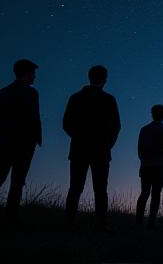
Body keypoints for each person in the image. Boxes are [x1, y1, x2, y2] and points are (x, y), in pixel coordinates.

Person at [0, 59, 41, 226]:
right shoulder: (31, 93)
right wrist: (33, 139)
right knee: (17, 182)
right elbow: (33, 119)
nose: (34, 77)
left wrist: (4, 134)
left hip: (4, 142)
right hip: (23, 146)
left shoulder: (2, 92)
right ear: (26, 73)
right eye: (33, 73)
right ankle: (11, 218)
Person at [63, 65, 121, 231]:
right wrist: (108, 143)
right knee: (101, 189)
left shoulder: (75, 97)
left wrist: (78, 137)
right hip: (101, 150)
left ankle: (69, 223)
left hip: (79, 149)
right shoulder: (109, 99)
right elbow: (116, 125)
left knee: (75, 187)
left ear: (89, 77)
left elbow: (66, 123)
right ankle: (101, 225)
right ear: (105, 79)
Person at [136, 104, 163, 229]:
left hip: (147, 165)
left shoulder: (144, 130)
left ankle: (139, 221)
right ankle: (151, 222)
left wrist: (146, 158)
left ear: (152, 114)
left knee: (144, 192)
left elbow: (140, 150)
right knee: (156, 194)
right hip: (160, 166)